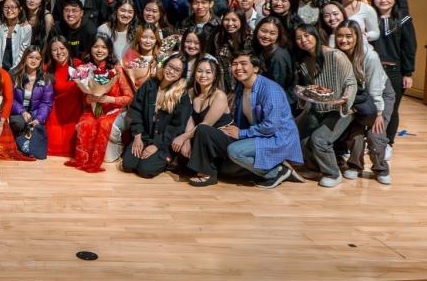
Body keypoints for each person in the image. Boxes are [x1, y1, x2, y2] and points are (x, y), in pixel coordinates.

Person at [186, 53, 302, 189]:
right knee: (225, 170)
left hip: (276, 138)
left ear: (256, 68)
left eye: (243, 63)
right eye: (234, 64)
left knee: (235, 151)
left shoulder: (270, 89)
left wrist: (241, 134)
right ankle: (271, 166)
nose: (238, 68)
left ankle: (277, 171)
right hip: (256, 135)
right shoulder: (242, 87)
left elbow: (271, 126)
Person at [293, 24, 356, 187]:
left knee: (319, 140)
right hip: (318, 108)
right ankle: (314, 168)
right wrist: (301, 92)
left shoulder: (335, 55)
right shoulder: (305, 62)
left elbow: (351, 82)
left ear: (316, 35)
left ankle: (333, 174)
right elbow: (312, 88)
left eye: (307, 36)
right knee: (304, 139)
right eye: (299, 38)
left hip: (340, 110)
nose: (303, 40)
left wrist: (345, 99)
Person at [333, 21, 392, 184]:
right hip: (359, 97)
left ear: (357, 37)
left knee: (376, 133)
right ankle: (355, 166)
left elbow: (375, 88)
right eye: (340, 35)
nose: (343, 40)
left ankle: (381, 169)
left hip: (380, 94)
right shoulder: (336, 54)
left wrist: (379, 113)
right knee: (355, 133)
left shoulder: (369, 56)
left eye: (348, 36)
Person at [66, 36, 133, 173]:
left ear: (109, 51)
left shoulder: (116, 70)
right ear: (90, 49)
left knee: (103, 123)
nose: (99, 50)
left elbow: (129, 97)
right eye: (96, 46)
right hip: (94, 109)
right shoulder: (84, 69)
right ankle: (83, 159)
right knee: (86, 123)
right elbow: (83, 96)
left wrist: (108, 99)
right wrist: (88, 100)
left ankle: (99, 159)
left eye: (103, 47)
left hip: (114, 110)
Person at [122, 53, 191, 179]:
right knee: (128, 165)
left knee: (145, 170)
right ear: (164, 66)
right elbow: (135, 110)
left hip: (163, 142)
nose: (171, 71)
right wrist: (137, 136)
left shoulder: (182, 96)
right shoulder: (150, 84)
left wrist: (157, 145)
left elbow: (177, 127)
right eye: (170, 66)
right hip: (144, 135)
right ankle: (143, 150)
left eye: (177, 70)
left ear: (181, 74)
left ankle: (167, 160)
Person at [370, 0, 414, 151]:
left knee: (392, 109)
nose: (383, 0)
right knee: (372, 106)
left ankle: (388, 143)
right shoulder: (370, 18)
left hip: (395, 71)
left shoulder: (403, 20)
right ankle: (372, 140)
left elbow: (409, 47)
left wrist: (408, 73)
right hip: (373, 70)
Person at [174, 56, 231, 186]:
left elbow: (206, 124)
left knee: (203, 129)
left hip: (222, 137)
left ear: (215, 76)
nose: (203, 75)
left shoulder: (219, 96)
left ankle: (208, 173)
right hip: (202, 138)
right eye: (199, 71)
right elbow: (189, 118)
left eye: (208, 72)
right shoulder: (190, 93)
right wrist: (187, 140)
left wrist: (183, 137)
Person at [10, 46, 53, 159]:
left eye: (37, 58)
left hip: (35, 113)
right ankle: (23, 143)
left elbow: (46, 103)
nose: (33, 61)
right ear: (25, 58)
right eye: (30, 57)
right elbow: (11, 99)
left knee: (37, 126)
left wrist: (39, 118)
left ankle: (31, 145)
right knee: (18, 122)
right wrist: (22, 111)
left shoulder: (45, 79)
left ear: (40, 61)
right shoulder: (15, 75)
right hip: (18, 114)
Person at [44, 36, 84, 157]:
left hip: (74, 111)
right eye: (54, 50)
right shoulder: (46, 69)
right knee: (53, 149)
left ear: (68, 48)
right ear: (50, 53)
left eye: (62, 48)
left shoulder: (79, 65)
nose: (59, 52)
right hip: (56, 112)